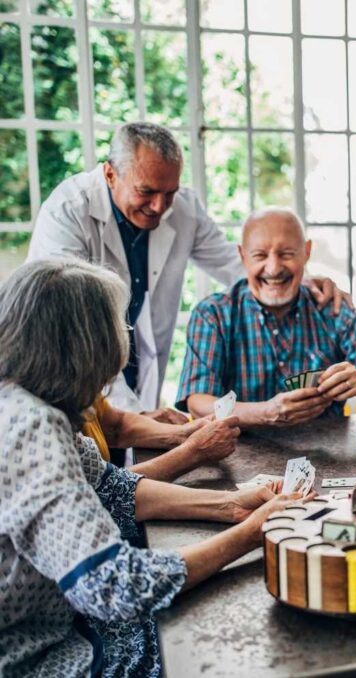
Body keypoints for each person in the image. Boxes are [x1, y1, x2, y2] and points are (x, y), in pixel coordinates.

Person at [0, 258, 304, 677]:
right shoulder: (30, 426)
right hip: (38, 660)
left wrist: (231, 504)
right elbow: (118, 586)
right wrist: (251, 534)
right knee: (218, 654)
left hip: (60, 626)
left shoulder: (21, 399)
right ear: (86, 347)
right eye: (116, 329)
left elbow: (112, 487)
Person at [27, 122, 349, 417]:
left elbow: (234, 264)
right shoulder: (67, 214)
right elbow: (71, 331)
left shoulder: (183, 209)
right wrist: (132, 418)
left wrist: (303, 282)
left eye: (170, 192)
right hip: (67, 373)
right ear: (111, 175)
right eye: (146, 192)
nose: (159, 206)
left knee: (130, 469)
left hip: (133, 362)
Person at [177, 207, 356, 425]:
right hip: (236, 452)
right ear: (242, 256)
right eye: (260, 255)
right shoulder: (212, 315)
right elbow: (198, 403)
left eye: (286, 254)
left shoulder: (334, 310)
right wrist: (265, 412)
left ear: (306, 252)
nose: (274, 268)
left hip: (327, 456)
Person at [82, 394, 241, 482]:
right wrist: (193, 452)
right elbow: (104, 487)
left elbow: (116, 426)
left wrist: (181, 433)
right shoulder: (58, 421)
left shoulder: (83, 386)